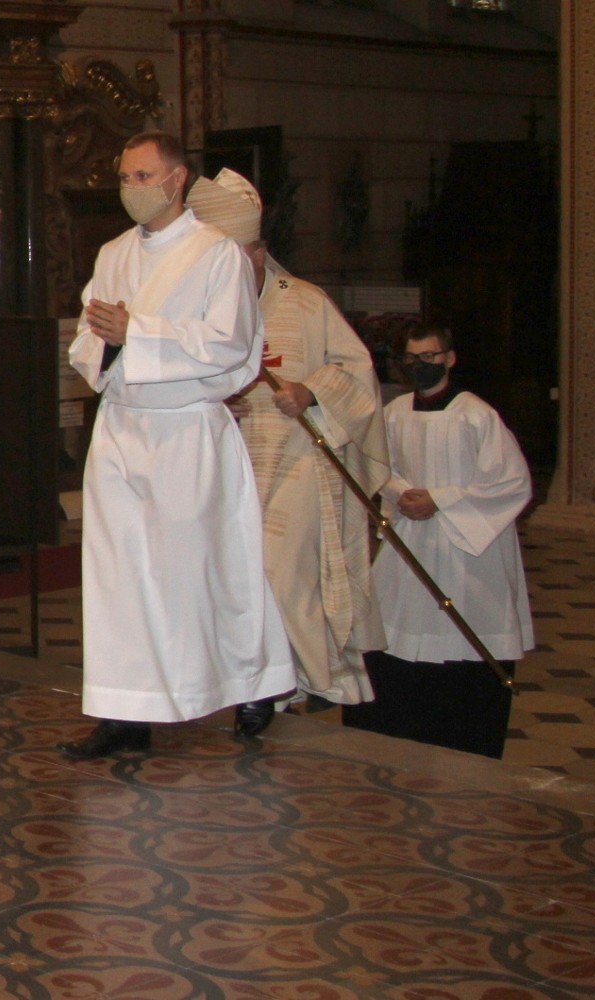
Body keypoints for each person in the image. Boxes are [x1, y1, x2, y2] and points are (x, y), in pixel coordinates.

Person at [58, 131, 295, 761]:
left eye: (143, 176)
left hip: (186, 433)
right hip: (123, 429)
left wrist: (138, 332)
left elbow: (231, 342)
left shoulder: (216, 254)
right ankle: (125, 712)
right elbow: (86, 340)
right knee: (118, 577)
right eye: (124, 177)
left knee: (206, 569)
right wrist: (109, 342)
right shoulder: (112, 253)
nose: (131, 188)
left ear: (176, 179)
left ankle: (254, 681)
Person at [188, 168, 391, 710]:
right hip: (230, 462)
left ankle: (306, 677)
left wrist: (310, 392)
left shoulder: (304, 302)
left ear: (258, 254)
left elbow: (357, 372)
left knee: (280, 571)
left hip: (300, 457)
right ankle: (257, 685)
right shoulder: (200, 311)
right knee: (234, 577)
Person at [343, 325, 533, 758]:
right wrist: (402, 494)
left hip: (466, 544)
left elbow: (512, 482)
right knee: (391, 629)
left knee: (461, 630)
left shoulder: (476, 415)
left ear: (449, 358)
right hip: (411, 534)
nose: (420, 366)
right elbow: (377, 464)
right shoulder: (395, 412)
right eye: (411, 359)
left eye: (429, 357)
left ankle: (461, 739)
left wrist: (440, 500)